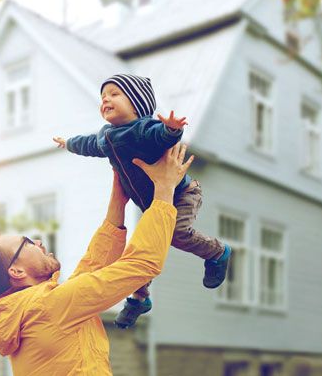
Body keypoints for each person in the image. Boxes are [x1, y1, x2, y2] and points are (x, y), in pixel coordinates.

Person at [0, 143, 194, 376]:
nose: (38, 242)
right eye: (27, 242)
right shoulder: (48, 306)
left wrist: (118, 195)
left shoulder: (30, 311)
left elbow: (91, 268)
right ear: (16, 272)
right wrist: (164, 188)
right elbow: (143, 263)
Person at [53, 74, 232, 329]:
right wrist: (69, 143)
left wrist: (172, 128)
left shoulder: (142, 128)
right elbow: (88, 143)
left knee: (177, 234)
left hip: (182, 193)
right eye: (103, 96)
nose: (105, 99)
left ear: (136, 104)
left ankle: (217, 252)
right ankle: (140, 299)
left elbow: (160, 135)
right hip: (153, 205)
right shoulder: (105, 136)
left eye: (114, 94)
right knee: (140, 248)